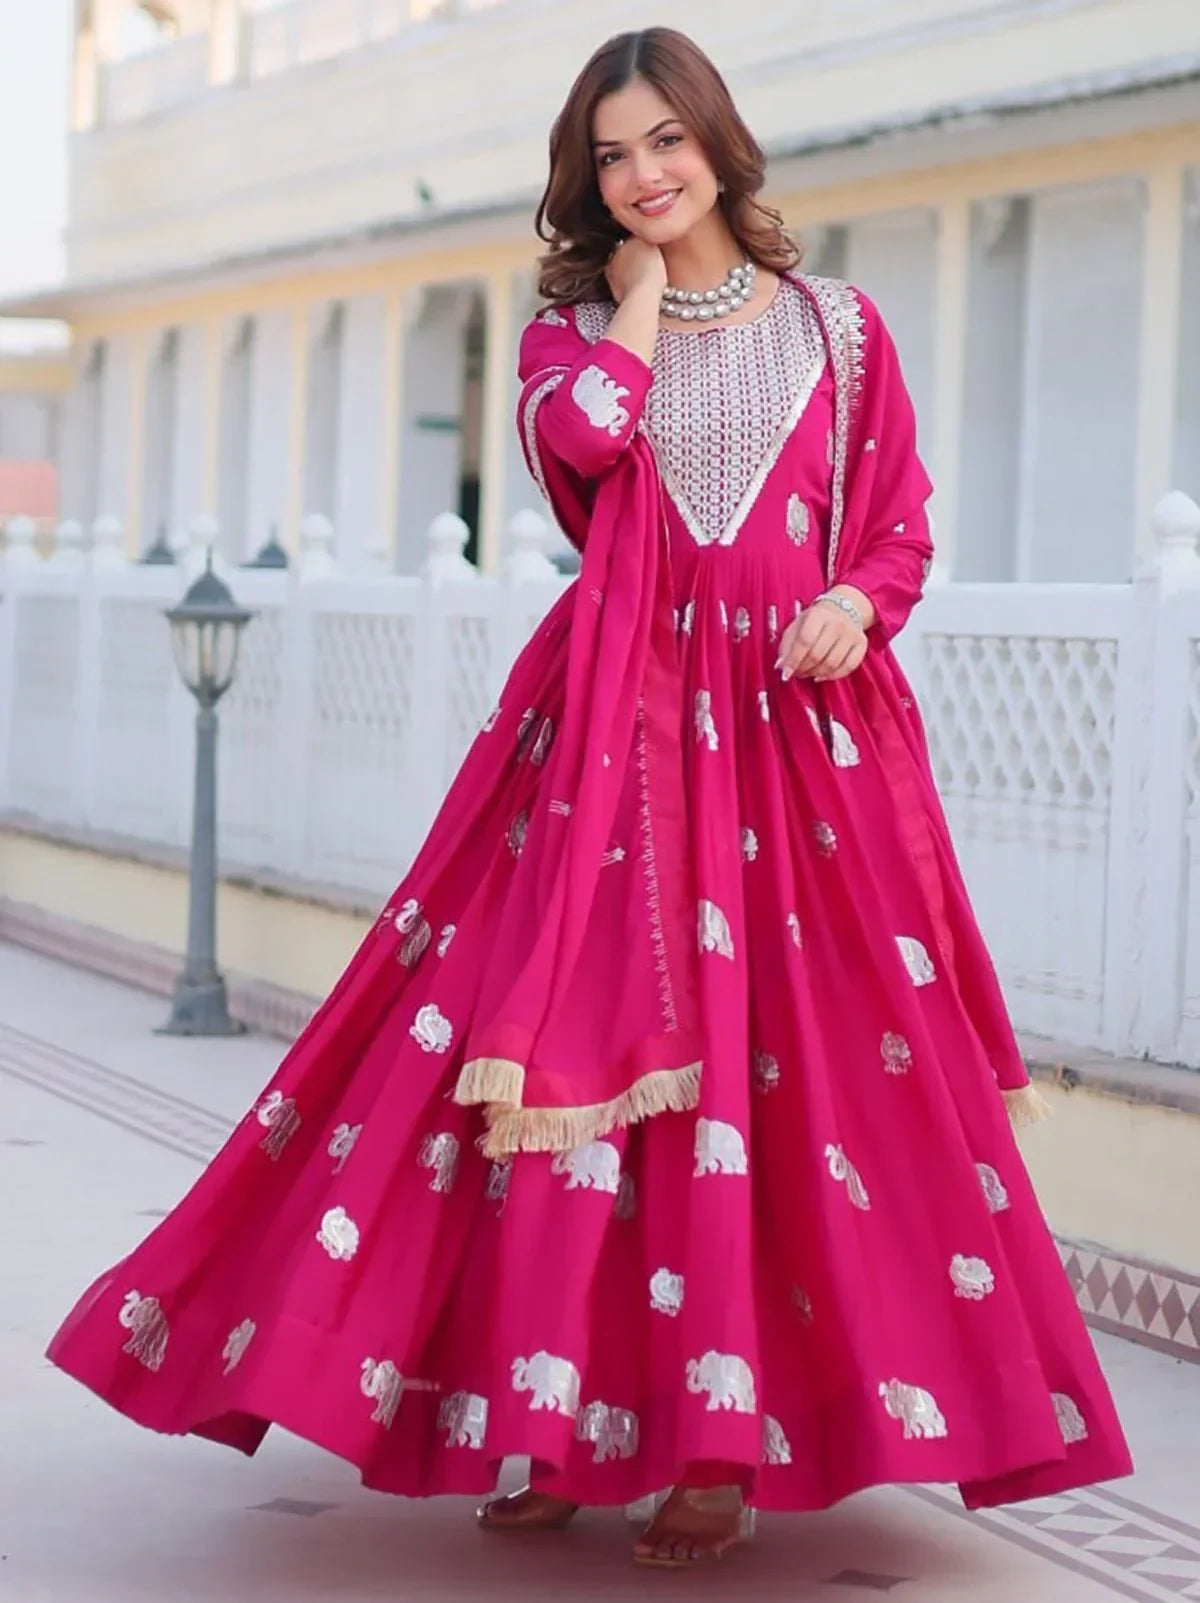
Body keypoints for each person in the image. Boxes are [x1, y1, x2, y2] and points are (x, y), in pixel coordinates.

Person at [48, 25, 1132, 1570]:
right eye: (613, 156)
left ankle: (715, 1451)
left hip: (795, 753)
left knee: (783, 1082)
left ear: (718, 140)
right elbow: (585, 444)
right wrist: (631, 308)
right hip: (615, 740)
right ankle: (548, 1424)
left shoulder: (839, 329)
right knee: (559, 1054)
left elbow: (896, 521)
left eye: (665, 141)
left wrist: (860, 604)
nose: (644, 174)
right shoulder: (567, 338)